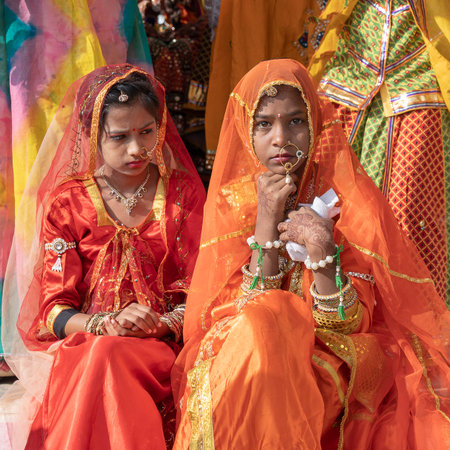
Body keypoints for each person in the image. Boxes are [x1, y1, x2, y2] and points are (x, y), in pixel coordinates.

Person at [171, 59, 449, 449]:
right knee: (259, 326)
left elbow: (350, 325)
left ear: (316, 126)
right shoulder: (231, 204)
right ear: (245, 129)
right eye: (265, 123)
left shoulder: (346, 199)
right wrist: (266, 221)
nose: (281, 137)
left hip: (324, 358)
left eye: (296, 122)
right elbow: (232, 314)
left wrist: (323, 252)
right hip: (247, 357)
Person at [2, 64, 205, 449]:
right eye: (119, 136)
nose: (136, 148)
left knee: (108, 357)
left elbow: (201, 288)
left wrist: (159, 324)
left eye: (146, 132)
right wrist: (106, 325)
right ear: (93, 134)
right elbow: (54, 310)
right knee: (104, 354)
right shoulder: (69, 203)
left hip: (165, 348)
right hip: (88, 345)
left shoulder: (183, 196)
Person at [308, 0, 450, 301]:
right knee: (326, 205)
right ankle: (336, 308)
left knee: (408, 219)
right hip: (349, 80)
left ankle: (414, 323)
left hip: (418, 85)